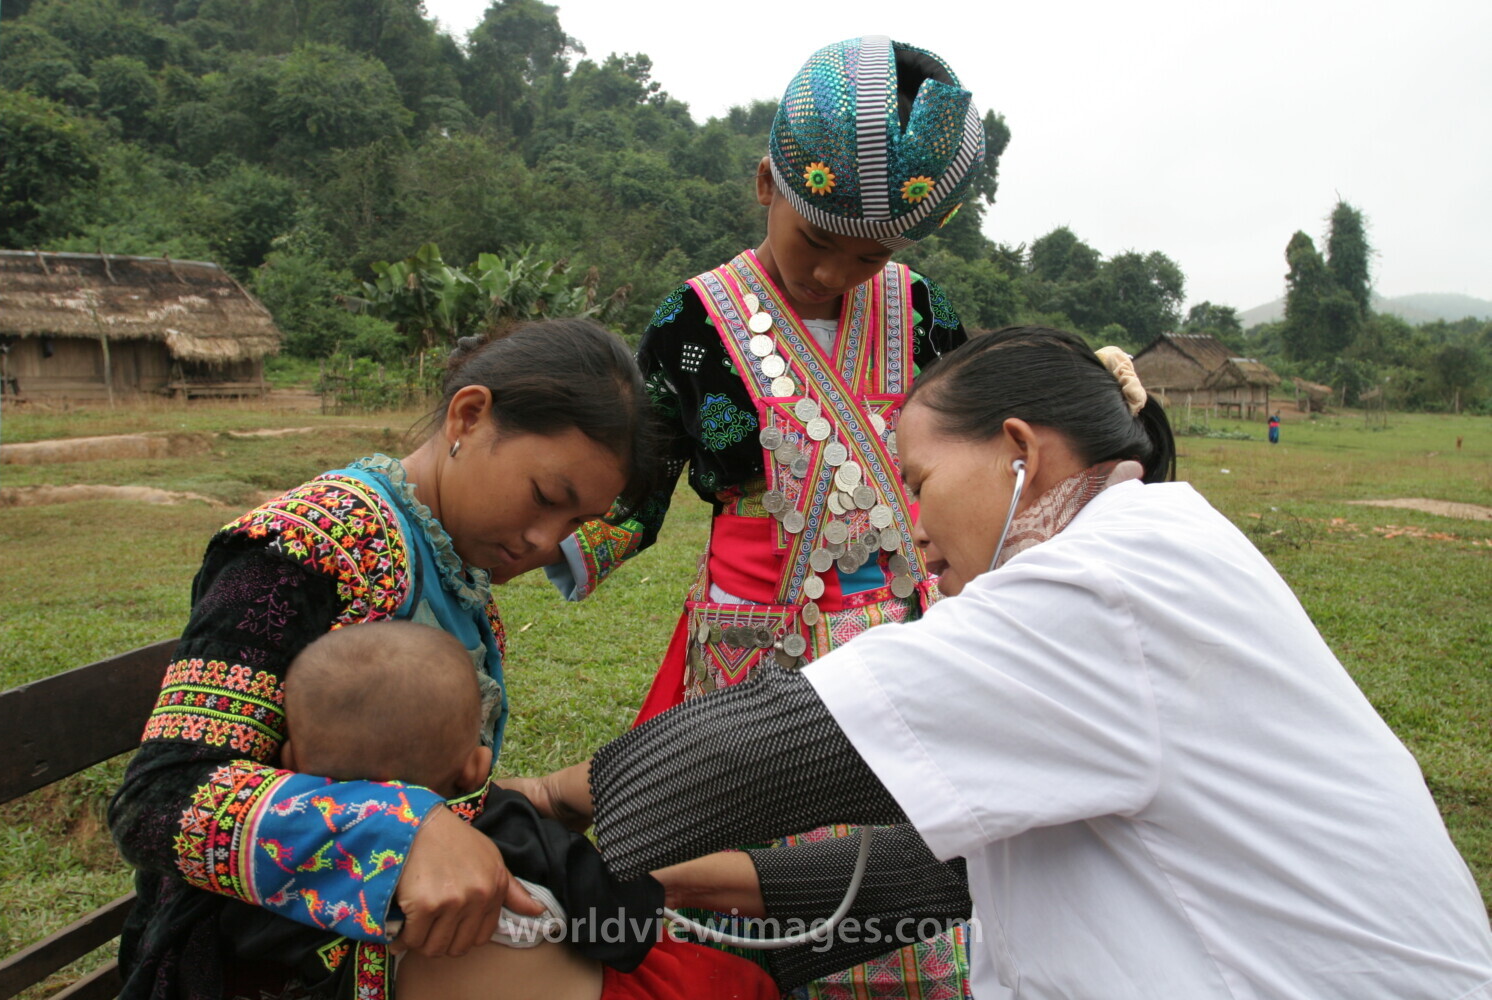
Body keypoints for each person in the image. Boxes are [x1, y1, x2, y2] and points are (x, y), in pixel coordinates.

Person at [530, 327, 1492, 999]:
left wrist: (537, 803)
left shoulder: (1101, 586)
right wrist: (681, 887)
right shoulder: (1157, 545)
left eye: (919, 482)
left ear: (1018, 452)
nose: (913, 528)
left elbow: (764, 749)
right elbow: (939, 876)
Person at [507, 36, 988, 998]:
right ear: (767, 184)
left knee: (901, 868)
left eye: (869, 255)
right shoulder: (690, 323)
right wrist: (539, 543)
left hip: (905, 632)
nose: (835, 275)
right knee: (744, 880)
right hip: (754, 643)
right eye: (817, 243)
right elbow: (642, 479)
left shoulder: (923, 311)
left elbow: (970, 453)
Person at [109, 319, 657, 1000]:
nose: (546, 542)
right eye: (546, 498)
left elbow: (407, 780)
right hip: (251, 960)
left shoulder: (456, 571)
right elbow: (159, 802)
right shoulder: (306, 546)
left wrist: (534, 798)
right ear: (469, 416)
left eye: (576, 524)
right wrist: (402, 833)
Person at [218, 620, 779, 1000]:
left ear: (287, 761)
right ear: (475, 766)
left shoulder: (272, 861)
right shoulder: (510, 827)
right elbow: (620, 928)